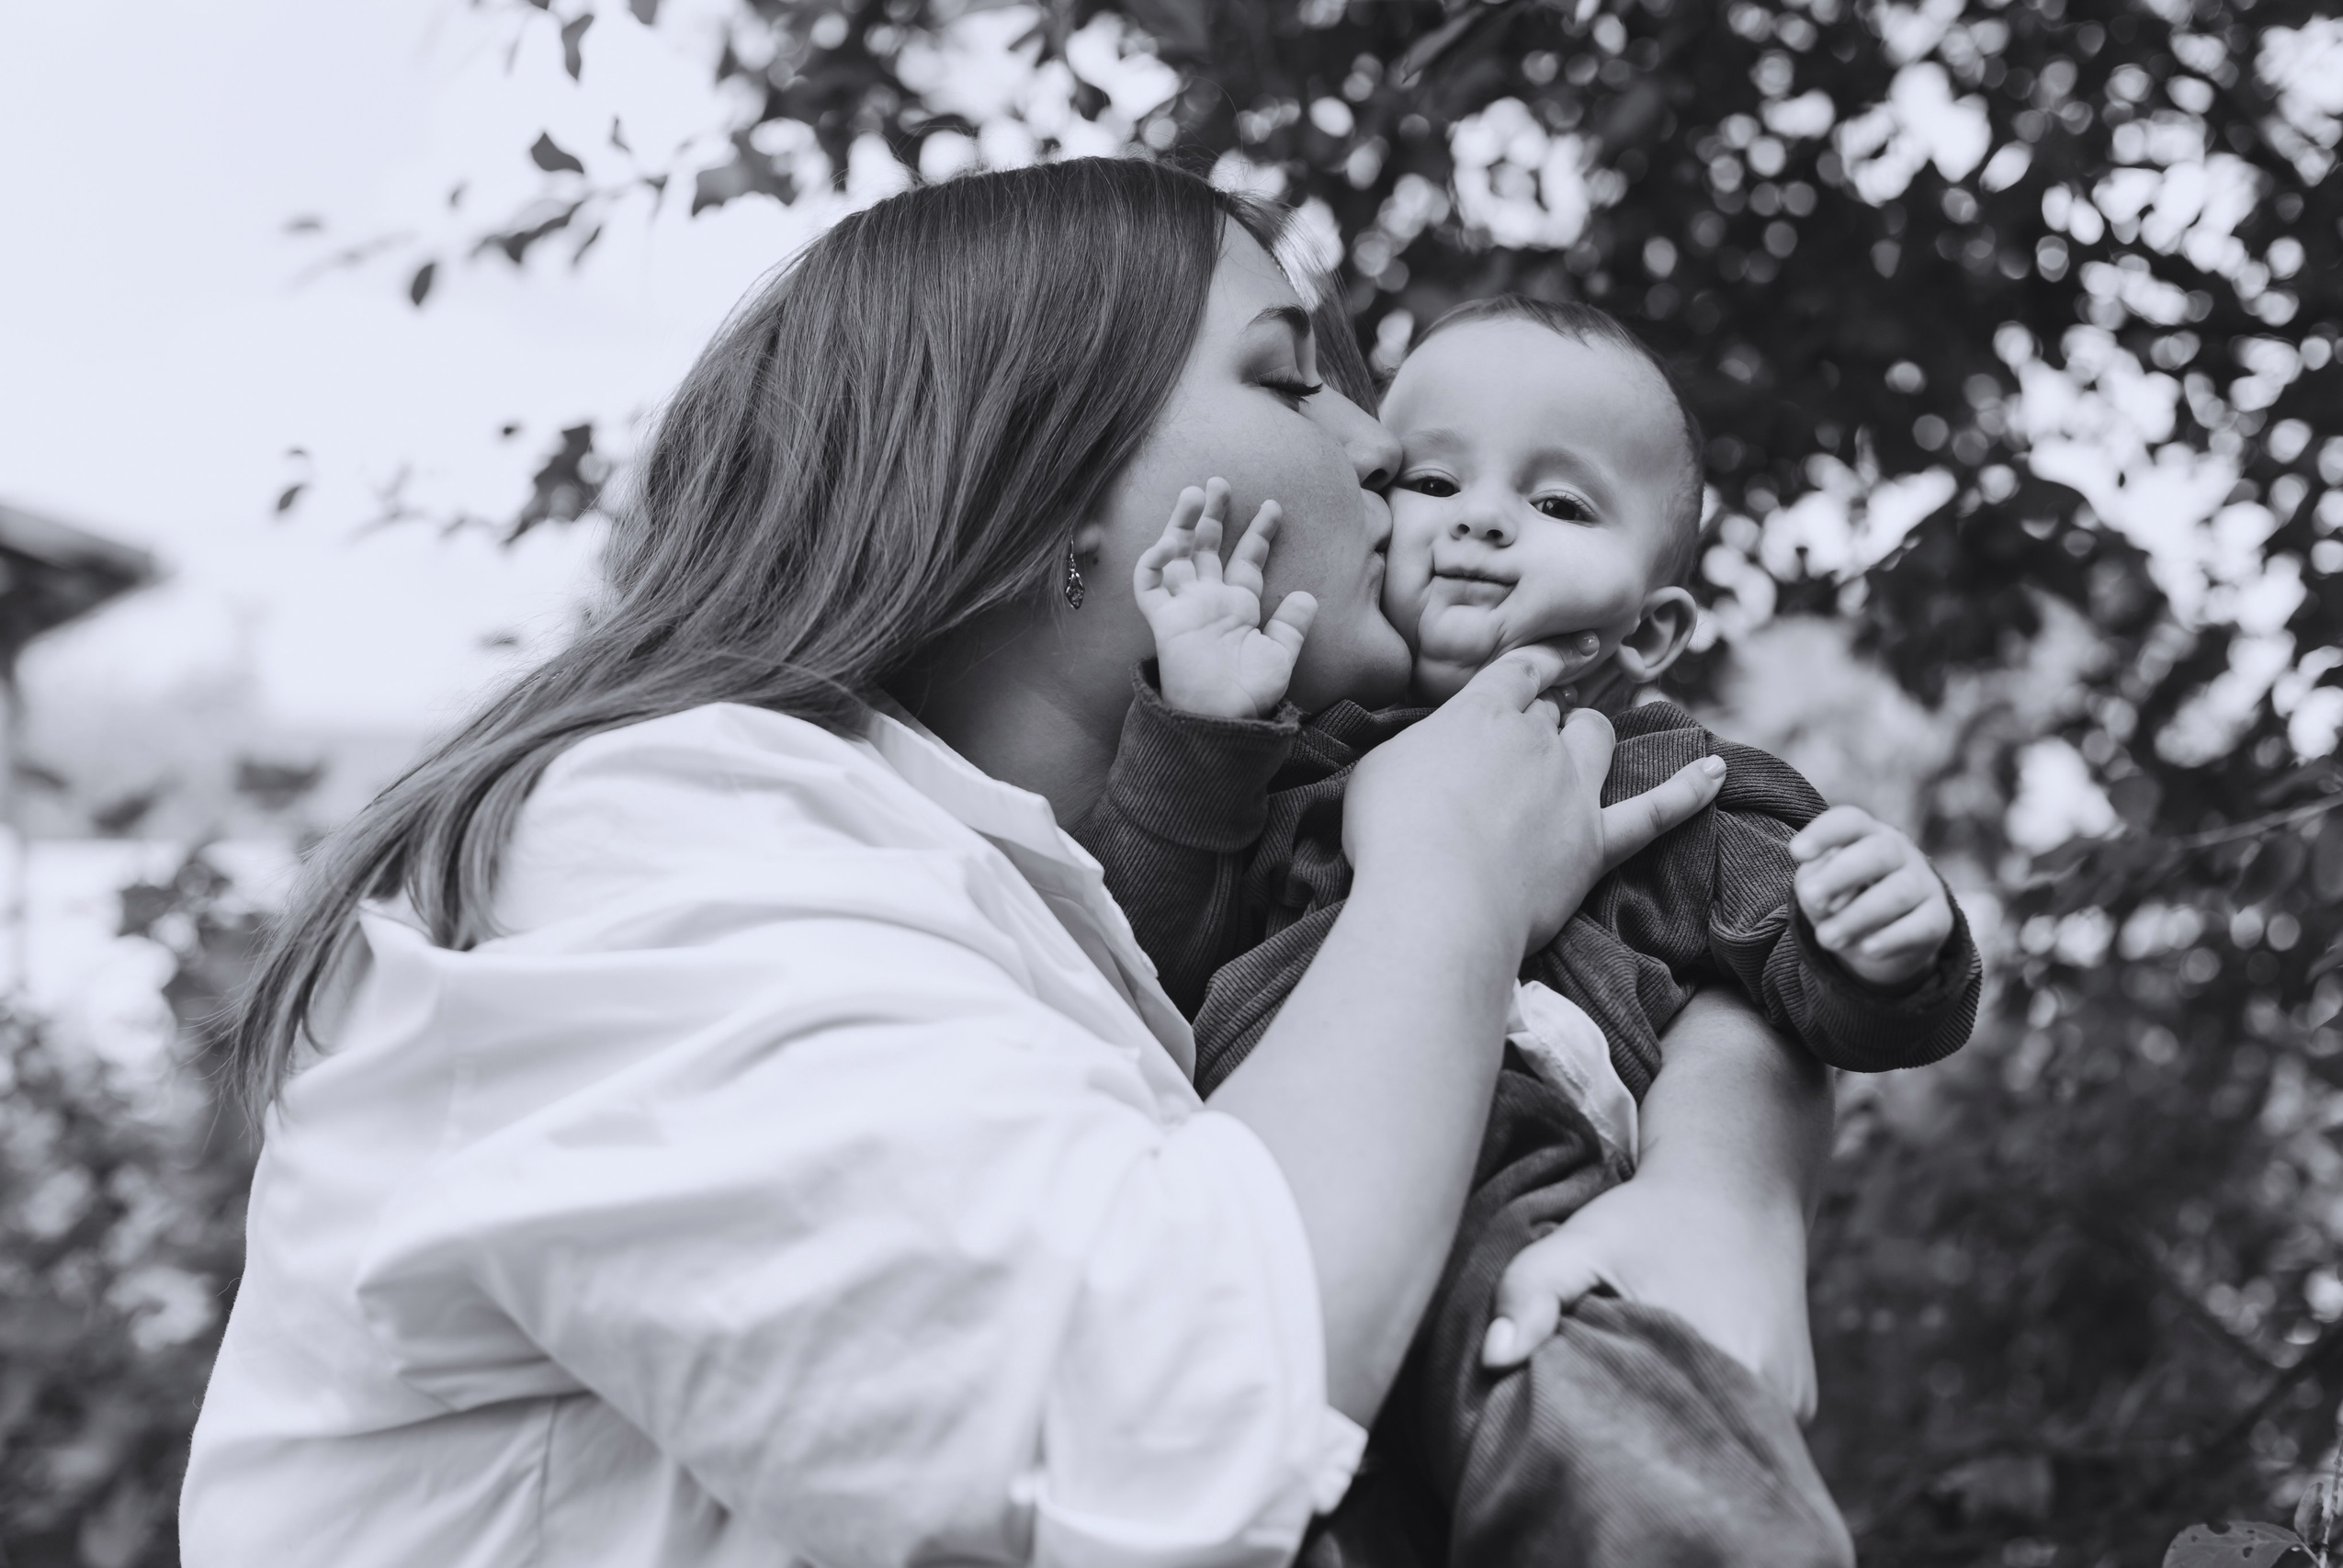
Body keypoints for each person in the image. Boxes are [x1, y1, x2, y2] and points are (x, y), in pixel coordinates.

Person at [181, 160, 1832, 1568]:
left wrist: (1724, 1172)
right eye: (1290, 377)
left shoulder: (1086, 900)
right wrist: (1448, 896)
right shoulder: (655, 832)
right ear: (1046, 493)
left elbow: (1718, 893)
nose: (1380, 450)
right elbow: (1154, 1434)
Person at [1079, 295, 1983, 1565]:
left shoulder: (1659, 778)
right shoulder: (1281, 765)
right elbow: (1135, 953)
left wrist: (1886, 935)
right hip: (1279, 1210)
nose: (1486, 517)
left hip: (1528, 1206)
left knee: (1617, 1434)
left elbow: (1809, 977)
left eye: (1560, 506)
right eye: (1437, 478)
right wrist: (1202, 735)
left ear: (1651, 628)